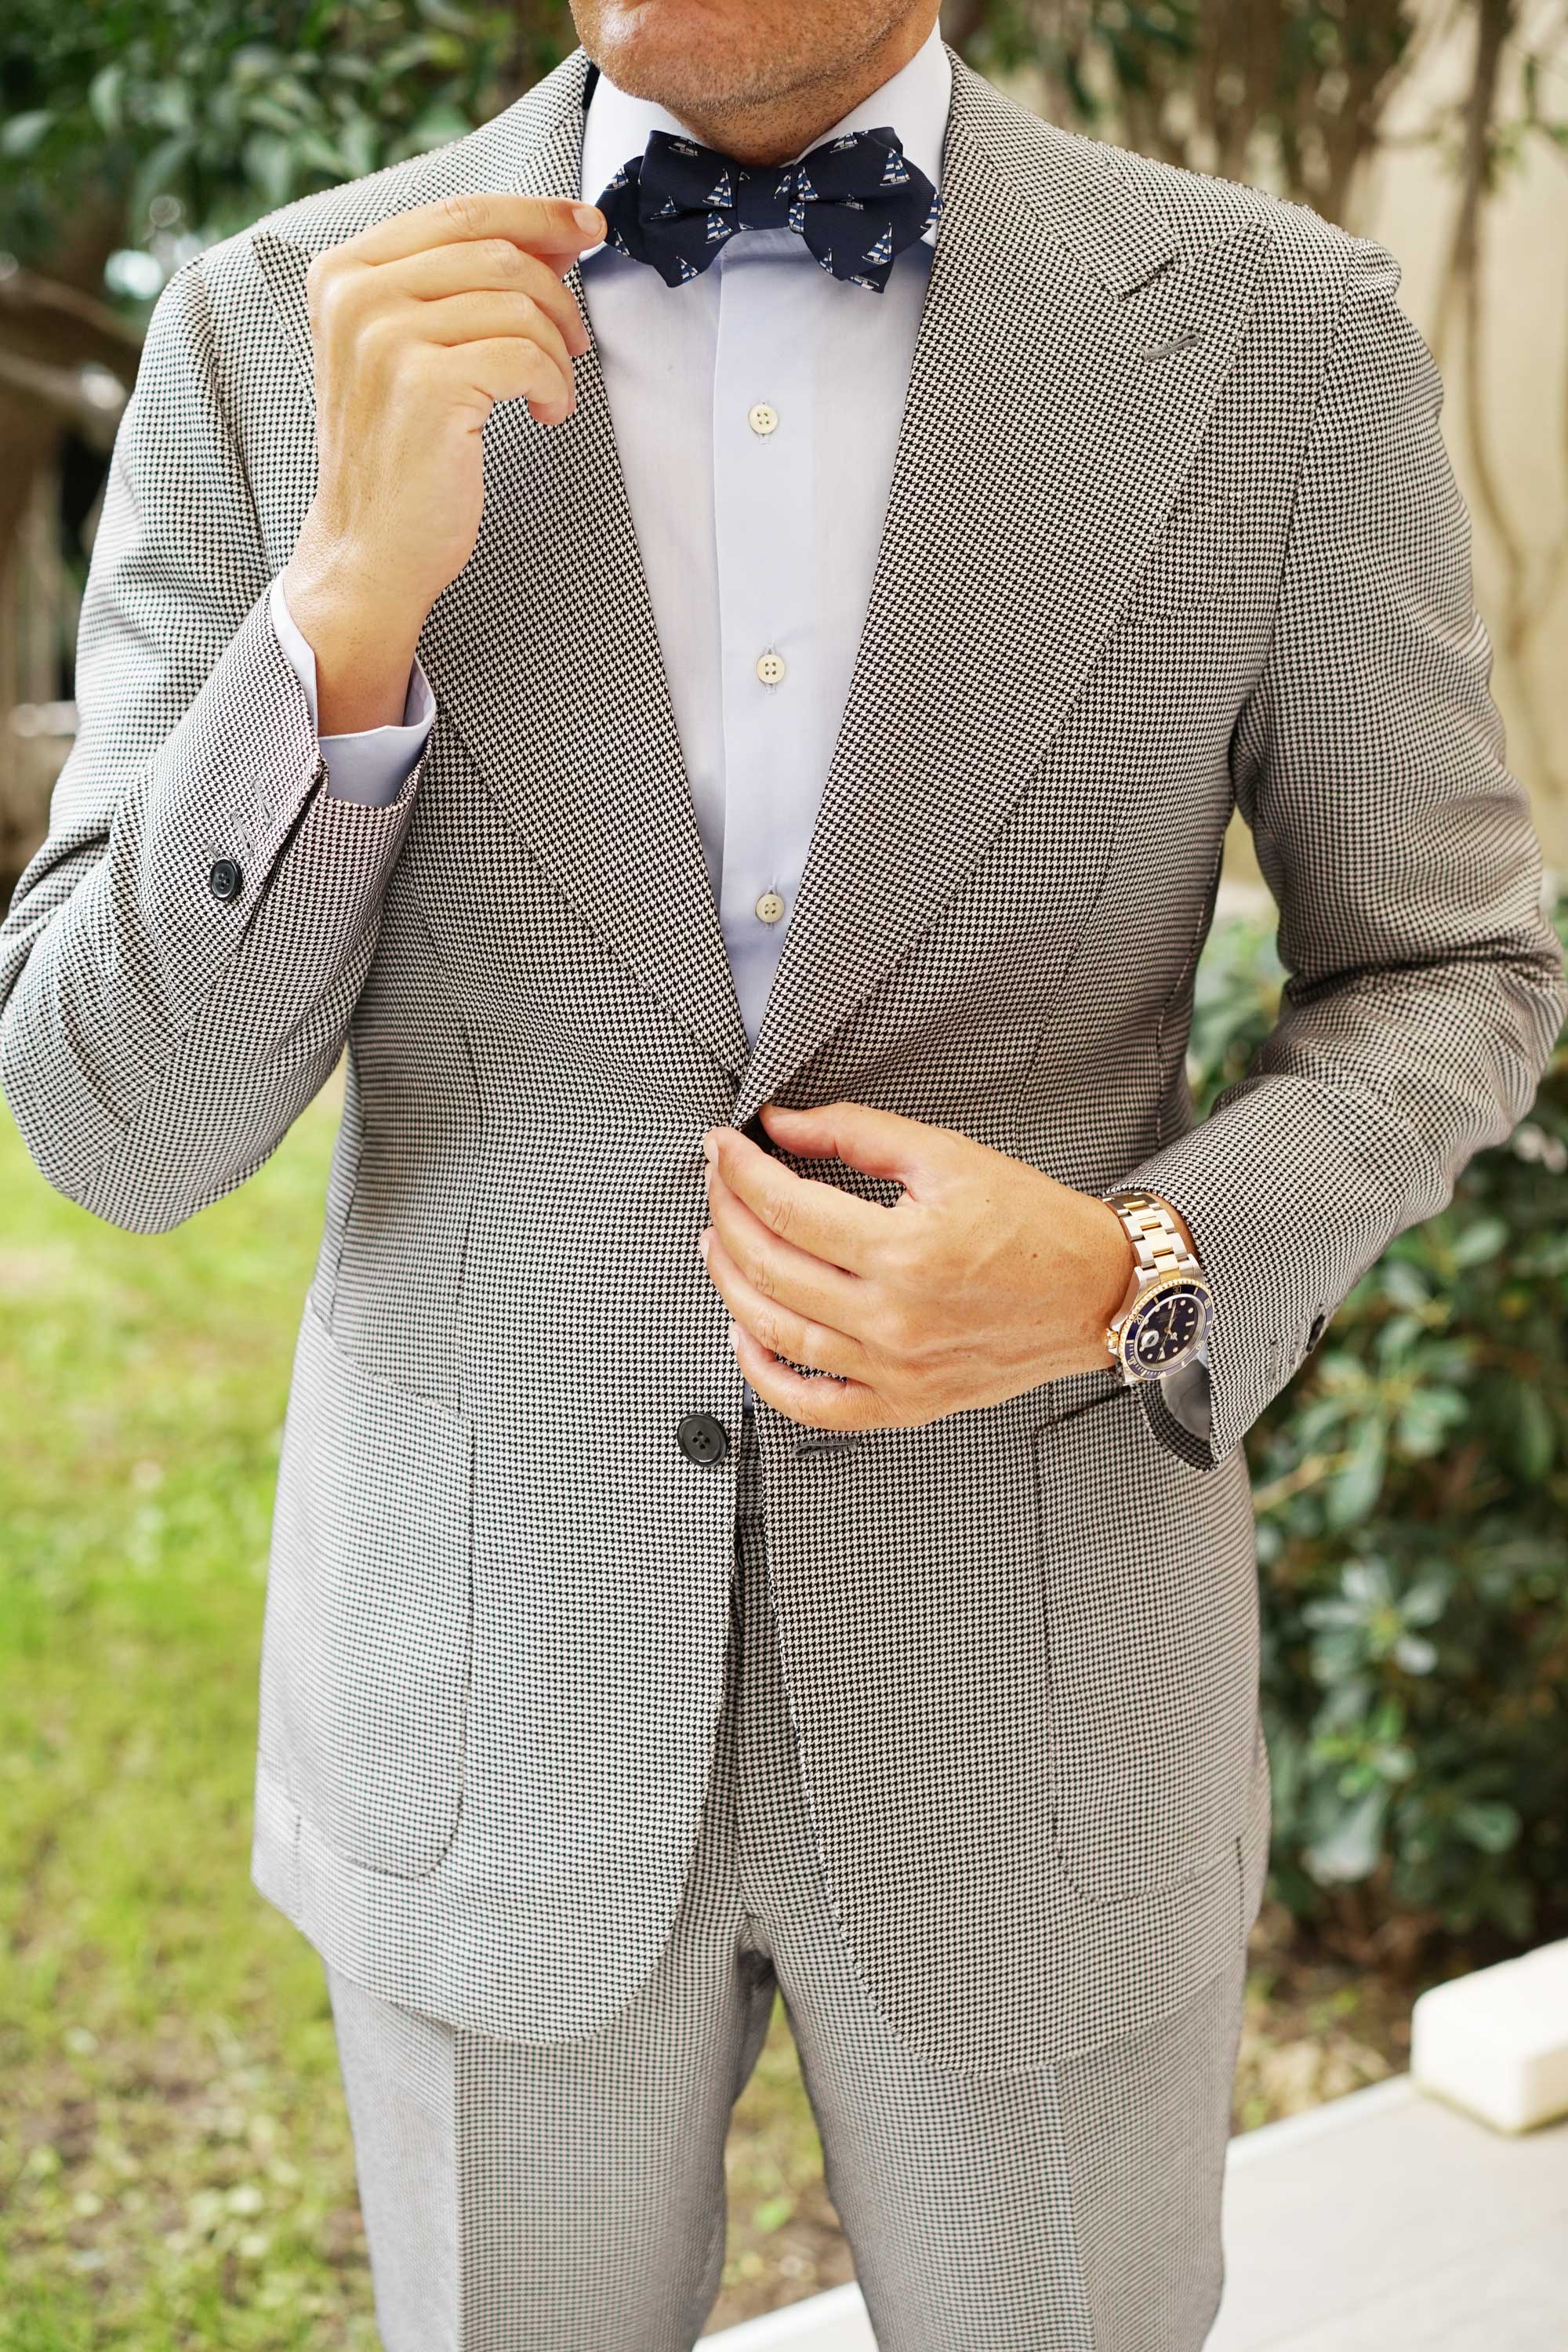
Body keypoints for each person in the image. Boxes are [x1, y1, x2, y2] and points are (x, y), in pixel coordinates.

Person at [2, 1, 1563, 2344]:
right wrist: (337, 620)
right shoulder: (271, 328)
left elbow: (1454, 971)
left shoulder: (1276, 336)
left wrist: (1135, 1260)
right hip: (481, 1702)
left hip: (1032, 1702)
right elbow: (117, 1126)